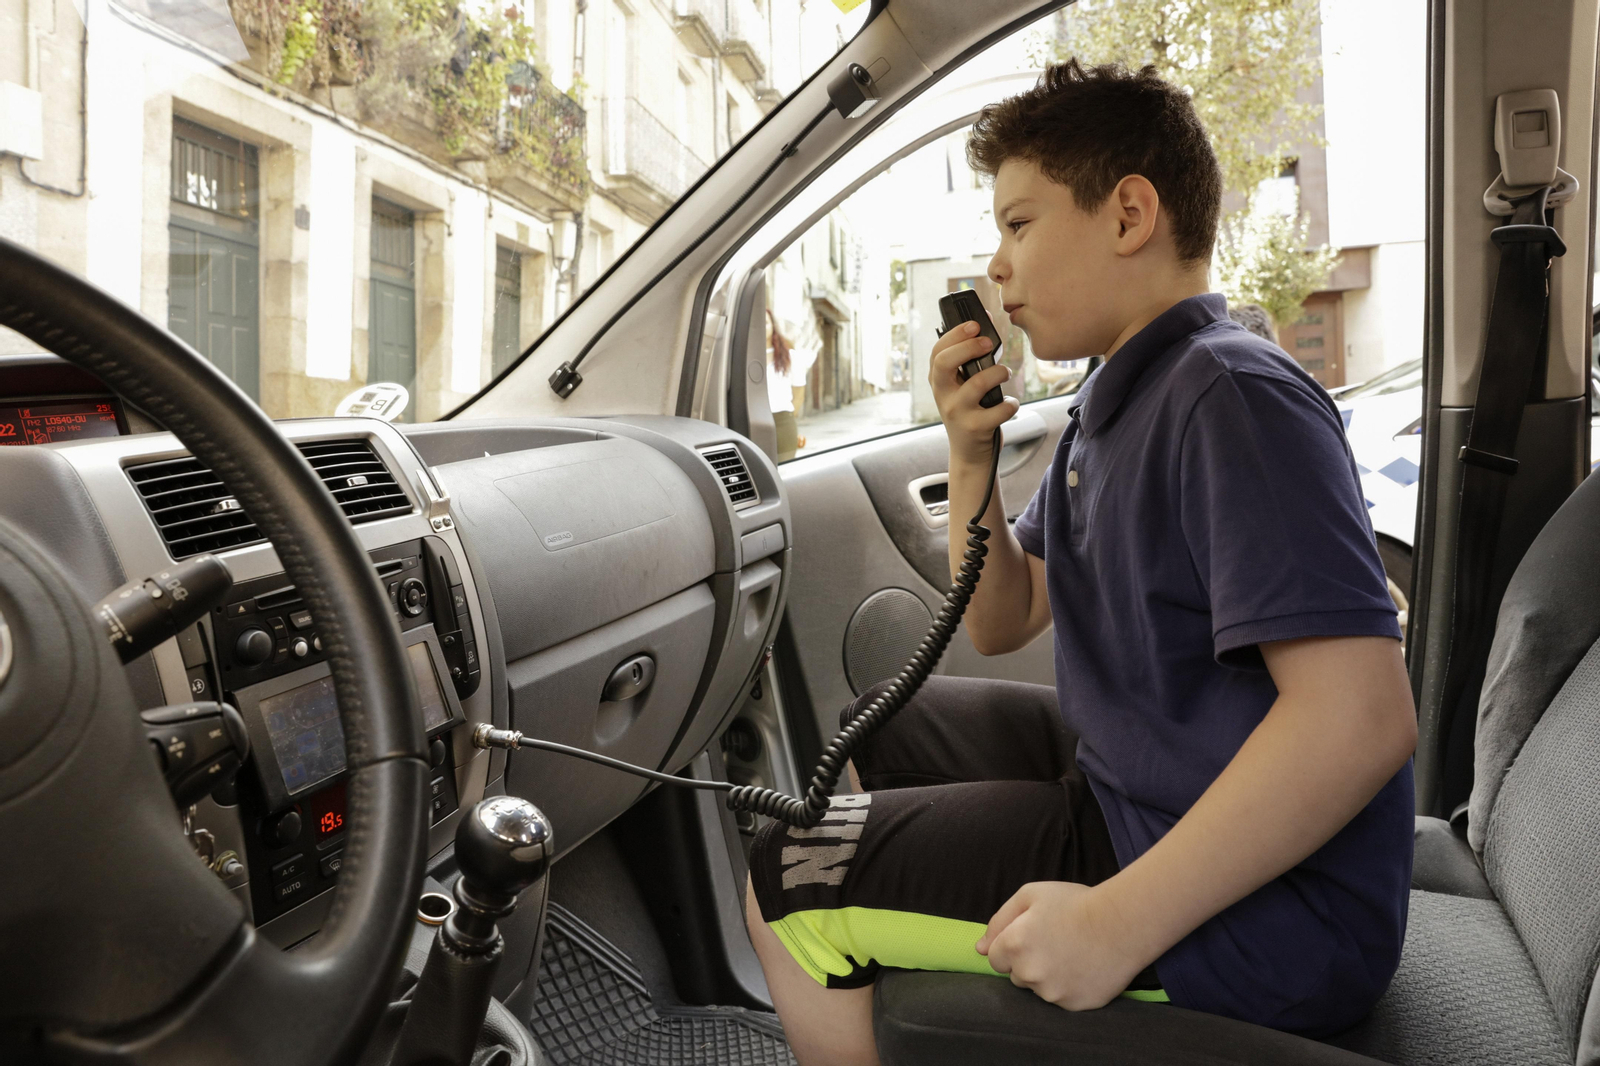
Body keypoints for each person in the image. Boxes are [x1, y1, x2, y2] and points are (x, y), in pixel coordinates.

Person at [744, 60, 1415, 1066]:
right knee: (881, 725)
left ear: (1129, 213)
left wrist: (1116, 920)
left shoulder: (1229, 397)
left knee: (785, 876)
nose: (996, 265)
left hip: (1282, 917)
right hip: (1145, 787)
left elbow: (1360, 716)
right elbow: (1002, 618)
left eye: (1018, 224)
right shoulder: (1118, 396)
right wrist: (968, 453)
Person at [767, 309, 813, 461]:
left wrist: (788, 419)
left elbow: (799, 394)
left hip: (783, 420)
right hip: (752, 420)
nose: (761, 327)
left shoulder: (790, 357)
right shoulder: (744, 356)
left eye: (765, 323)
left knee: (784, 469)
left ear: (773, 326)